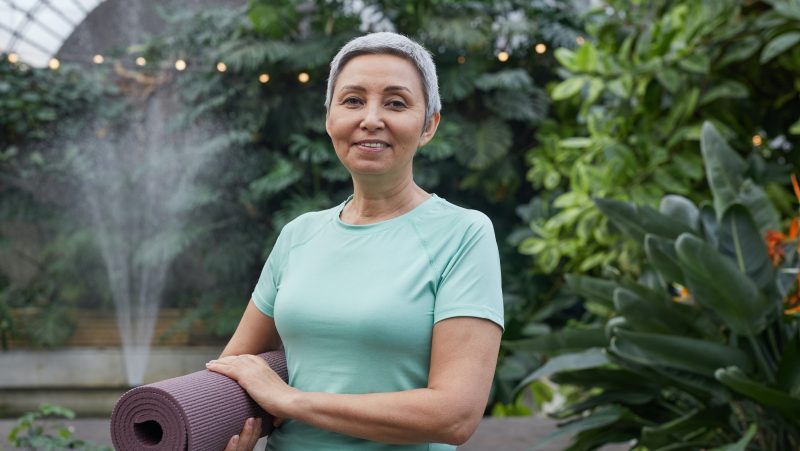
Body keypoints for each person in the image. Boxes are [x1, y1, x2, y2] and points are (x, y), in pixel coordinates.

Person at [205, 31, 504, 451]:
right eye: (353, 100)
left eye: (396, 103)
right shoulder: (299, 235)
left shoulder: (463, 234)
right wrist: (219, 426)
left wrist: (291, 400)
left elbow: (455, 414)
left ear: (429, 125)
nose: (371, 118)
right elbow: (231, 372)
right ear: (330, 118)